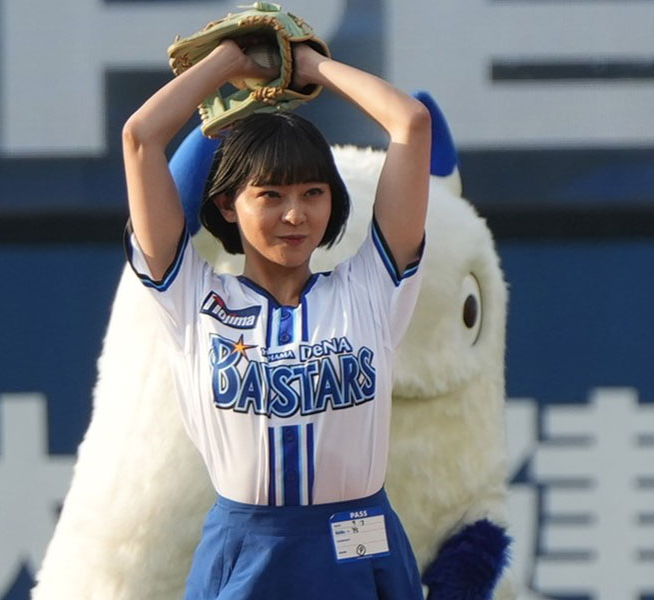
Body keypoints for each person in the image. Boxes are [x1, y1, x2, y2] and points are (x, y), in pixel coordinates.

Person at [121, 36, 431, 600]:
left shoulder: (370, 289)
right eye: (269, 194)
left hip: (357, 538)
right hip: (247, 545)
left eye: (314, 192)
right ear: (226, 203)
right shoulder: (191, 297)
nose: (295, 213)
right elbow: (140, 138)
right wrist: (231, 62)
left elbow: (410, 123)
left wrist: (307, 66)